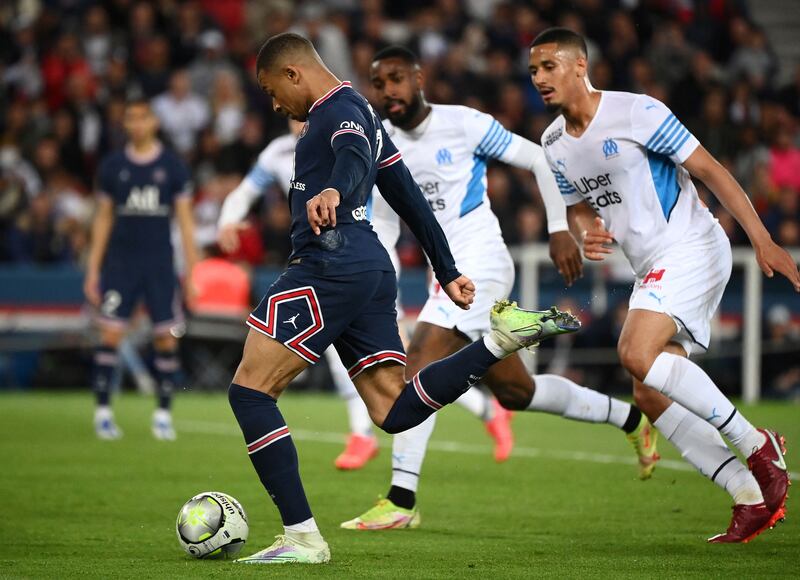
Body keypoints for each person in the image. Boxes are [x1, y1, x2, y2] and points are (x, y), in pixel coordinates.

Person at [226, 32, 579, 565]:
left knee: (250, 392)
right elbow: (409, 196)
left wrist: (334, 191)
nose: (274, 103)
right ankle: (495, 343)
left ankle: (302, 537)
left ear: (292, 73)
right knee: (391, 408)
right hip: (370, 266)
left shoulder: (336, 110)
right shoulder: (368, 113)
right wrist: (448, 268)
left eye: (271, 89)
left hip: (329, 262)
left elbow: (346, 157)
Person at [341, 46, 658, 532]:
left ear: (419, 77)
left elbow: (536, 157)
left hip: (481, 265)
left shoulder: (463, 122)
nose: (389, 92)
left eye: (398, 79)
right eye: (379, 84)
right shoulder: (380, 143)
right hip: (444, 276)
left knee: (416, 369)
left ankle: (401, 499)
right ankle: (630, 419)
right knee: (516, 391)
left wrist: (558, 227)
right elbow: (383, 223)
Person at [529, 27, 798, 543]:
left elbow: (710, 169)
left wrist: (761, 239)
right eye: (534, 71)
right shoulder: (553, 144)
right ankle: (749, 496)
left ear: (580, 66)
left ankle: (757, 443)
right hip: (649, 265)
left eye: (549, 66)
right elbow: (579, 206)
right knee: (648, 392)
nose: (540, 78)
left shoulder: (637, 112)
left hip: (693, 245)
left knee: (634, 351)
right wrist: (587, 234)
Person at [217, 119, 513, 471]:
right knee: (367, 361)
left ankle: (466, 410)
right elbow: (245, 191)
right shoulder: (280, 152)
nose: (298, 119)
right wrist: (227, 220)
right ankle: (470, 409)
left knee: (396, 364)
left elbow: (398, 188)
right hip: (318, 261)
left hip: (363, 255)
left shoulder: (348, 136)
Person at [84, 99, 198, 441]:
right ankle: (103, 413)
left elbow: (185, 222)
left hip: (159, 264)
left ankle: (163, 414)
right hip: (121, 264)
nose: (136, 124)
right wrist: (93, 268)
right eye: (130, 118)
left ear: (154, 123)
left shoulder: (173, 167)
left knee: (166, 338)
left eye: (142, 118)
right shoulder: (113, 166)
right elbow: (103, 218)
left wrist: (193, 271)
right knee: (110, 335)